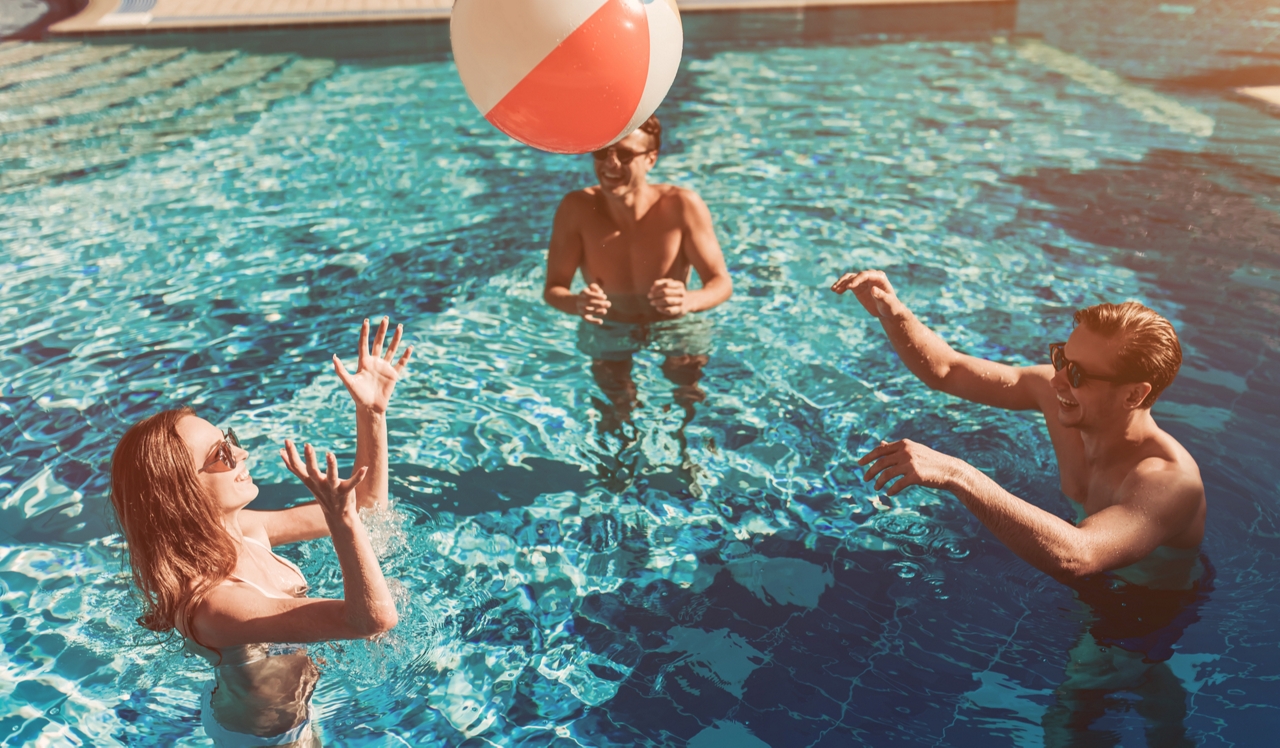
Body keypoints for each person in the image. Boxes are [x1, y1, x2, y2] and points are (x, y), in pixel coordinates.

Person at [832, 271, 1208, 746]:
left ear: (1135, 394)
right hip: (1102, 573)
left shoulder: (1167, 481)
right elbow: (946, 369)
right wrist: (893, 309)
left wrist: (959, 474)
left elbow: (1079, 556)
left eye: (1079, 374)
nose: (1057, 379)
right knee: (1146, 691)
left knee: (1068, 721)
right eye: (1061, 357)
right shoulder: (1059, 399)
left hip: (1138, 609)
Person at [109, 317, 412, 747]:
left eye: (229, 438)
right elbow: (371, 620)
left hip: (267, 699)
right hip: (270, 739)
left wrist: (372, 412)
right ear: (180, 492)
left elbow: (368, 508)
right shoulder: (215, 602)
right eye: (221, 453)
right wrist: (340, 521)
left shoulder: (245, 528)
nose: (241, 451)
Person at [544, 115, 732, 431]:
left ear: (650, 160)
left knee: (690, 397)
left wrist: (688, 300)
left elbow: (720, 282)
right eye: (602, 153)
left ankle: (693, 463)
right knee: (615, 408)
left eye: (625, 155)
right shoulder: (577, 209)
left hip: (673, 323)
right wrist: (577, 304)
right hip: (609, 326)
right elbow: (553, 288)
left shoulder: (682, 206)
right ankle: (617, 471)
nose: (610, 165)